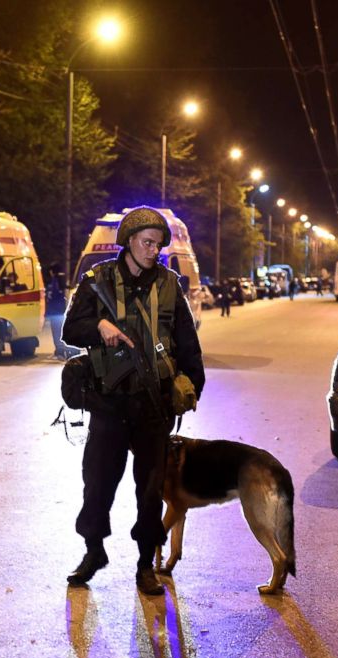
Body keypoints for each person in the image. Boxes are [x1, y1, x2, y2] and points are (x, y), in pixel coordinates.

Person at [62, 206, 205, 596]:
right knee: (97, 485)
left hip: (152, 406)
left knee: (150, 491)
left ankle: (146, 564)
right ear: (128, 241)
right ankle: (94, 551)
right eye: (146, 242)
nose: (152, 250)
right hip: (109, 405)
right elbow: (70, 329)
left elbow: (190, 348)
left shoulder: (170, 285)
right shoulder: (97, 281)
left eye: (158, 245)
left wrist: (188, 391)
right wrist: (99, 326)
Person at [46, 263, 68, 358]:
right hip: (61, 310)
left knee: (56, 331)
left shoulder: (55, 281)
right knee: (61, 331)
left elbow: (54, 295)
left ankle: (60, 351)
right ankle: (62, 350)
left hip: (55, 311)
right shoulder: (63, 280)